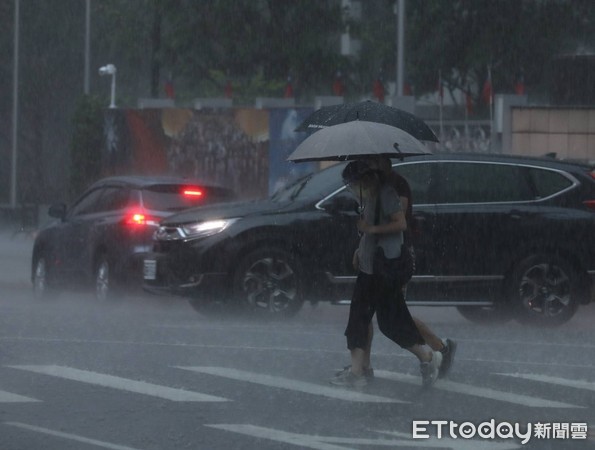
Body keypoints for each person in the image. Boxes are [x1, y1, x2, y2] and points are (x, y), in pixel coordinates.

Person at [330, 160, 442, 388]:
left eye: (354, 183)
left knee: (391, 322)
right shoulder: (368, 197)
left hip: (385, 267)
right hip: (368, 267)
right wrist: (361, 248)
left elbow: (400, 224)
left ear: (366, 179)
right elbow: (368, 229)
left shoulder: (386, 193)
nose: (352, 188)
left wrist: (370, 230)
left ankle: (428, 357)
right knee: (358, 320)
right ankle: (357, 371)